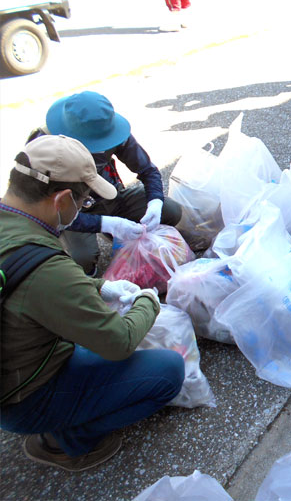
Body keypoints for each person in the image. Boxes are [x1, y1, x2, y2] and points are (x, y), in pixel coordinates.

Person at [0, 135, 185, 471]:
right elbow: (119, 342)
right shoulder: (49, 269)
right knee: (168, 372)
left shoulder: (13, 226)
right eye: (84, 203)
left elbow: (27, 283)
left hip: (11, 369)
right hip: (24, 395)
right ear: (63, 200)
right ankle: (63, 440)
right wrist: (147, 300)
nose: (84, 209)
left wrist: (99, 287)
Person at [27, 91, 182, 276]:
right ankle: (101, 237)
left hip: (112, 195)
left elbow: (147, 170)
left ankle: (115, 232)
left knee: (171, 210)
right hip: (72, 211)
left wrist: (155, 202)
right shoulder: (42, 147)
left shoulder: (109, 129)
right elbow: (48, 211)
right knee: (81, 260)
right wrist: (106, 224)